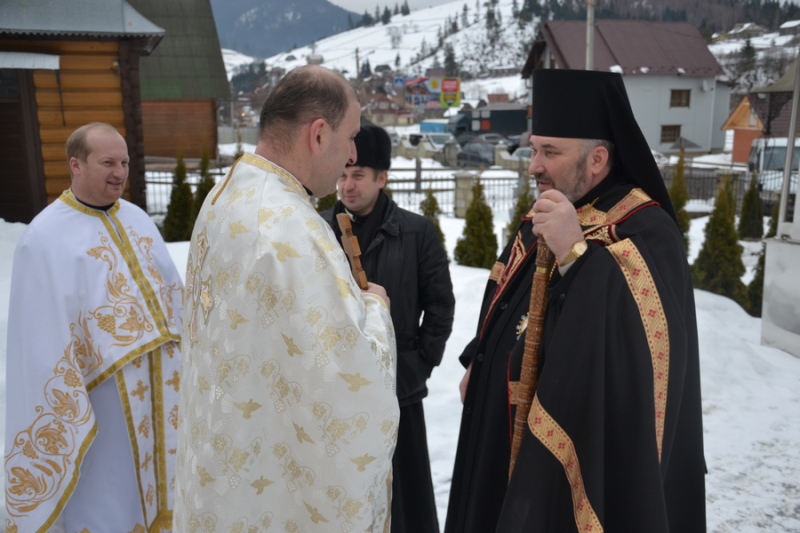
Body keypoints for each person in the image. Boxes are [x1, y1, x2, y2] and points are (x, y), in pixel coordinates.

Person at [445, 68, 706, 532]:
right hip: (497, 428)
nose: (533, 165)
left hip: (571, 452)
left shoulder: (646, 227)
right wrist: (478, 360)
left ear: (598, 159)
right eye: (533, 148)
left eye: (550, 152)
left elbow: (644, 344)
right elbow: (507, 292)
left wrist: (576, 255)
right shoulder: (555, 202)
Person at [173, 65, 400, 531]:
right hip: (271, 493)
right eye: (351, 135)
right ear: (319, 134)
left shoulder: (227, 194)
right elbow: (348, 383)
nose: (353, 152)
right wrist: (376, 310)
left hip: (226, 466)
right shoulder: (291, 230)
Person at [4, 122, 183, 532]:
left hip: (160, 393)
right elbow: (39, 341)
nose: (119, 172)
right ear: (76, 165)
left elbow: (172, 293)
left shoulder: (137, 218)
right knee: (110, 496)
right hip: (99, 400)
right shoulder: (44, 239)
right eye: (107, 162)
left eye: (124, 162)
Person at [321, 125, 455, 533]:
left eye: (358, 175)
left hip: (400, 387)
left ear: (382, 178)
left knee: (406, 493)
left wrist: (417, 366)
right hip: (338, 387)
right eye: (343, 175)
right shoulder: (320, 231)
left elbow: (440, 306)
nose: (347, 185)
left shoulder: (415, 233)